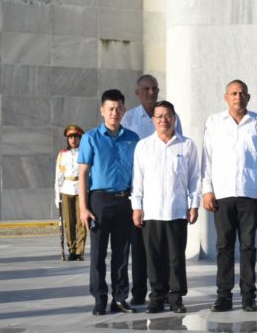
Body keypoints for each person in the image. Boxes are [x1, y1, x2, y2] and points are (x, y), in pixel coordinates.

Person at [202, 80, 257, 312]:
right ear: (226, 97)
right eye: (233, 93)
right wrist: (207, 189)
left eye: (242, 93)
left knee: (248, 246)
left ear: (248, 97)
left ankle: (248, 296)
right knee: (223, 246)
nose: (238, 97)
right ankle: (223, 296)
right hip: (222, 194)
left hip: (250, 193)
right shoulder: (214, 122)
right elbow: (207, 158)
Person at [131, 100, 200, 314]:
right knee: (154, 258)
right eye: (159, 116)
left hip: (177, 210)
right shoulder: (144, 146)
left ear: (174, 118)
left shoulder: (187, 145)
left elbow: (195, 178)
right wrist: (136, 207)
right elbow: (137, 180)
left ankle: (176, 297)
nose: (164, 120)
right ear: (153, 120)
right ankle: (157, 297)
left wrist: (194, 204)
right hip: (151, 211)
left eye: (168, 115)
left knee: (176, 258)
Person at [121, 74, 183, 305]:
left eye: (154, 88)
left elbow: (178, 143)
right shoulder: (129, 118)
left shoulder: (170, 116)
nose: (151, 92)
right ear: (138, 92)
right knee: (140, 248)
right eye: (146, 89)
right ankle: (139, 292)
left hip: (167, 194)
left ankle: (165, 292)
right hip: (138, 191)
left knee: (166, 249)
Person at [78, 89, 139, 315]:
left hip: (125, 200)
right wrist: (83, 208)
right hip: (99, 201)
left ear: (124, 110)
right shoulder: (90, 138)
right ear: (102, 111)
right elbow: (83, 174)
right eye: (111, 108)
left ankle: (120, 298)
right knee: (98, 255)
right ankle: (99, 298)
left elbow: (139, 173)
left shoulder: (132, 138)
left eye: (119, 108)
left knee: (122, 254)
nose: (115, 112)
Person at [54, 124, 87, 261]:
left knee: (81, 222)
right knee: (68, 222)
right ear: (67, 139)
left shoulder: (84, 152)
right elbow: (58, 177)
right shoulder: (62, 155)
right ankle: (72, 249)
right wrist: (57, 196)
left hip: (81, 189)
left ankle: (80, 251)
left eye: (76, 137)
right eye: (70, 137)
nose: (73, 140)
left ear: (80, 138)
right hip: (67, 189)